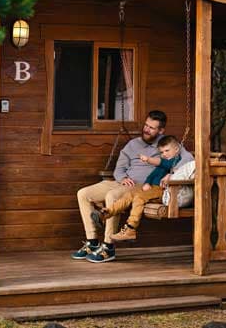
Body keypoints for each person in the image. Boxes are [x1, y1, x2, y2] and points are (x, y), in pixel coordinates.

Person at [71, 110, 167, 263]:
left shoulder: (166, 145)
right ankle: (92, 242)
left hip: (140, 186)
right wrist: (122, 177)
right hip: (121, 181)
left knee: (112, 196)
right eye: (146, 125)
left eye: (152, 128)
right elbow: (119, 168)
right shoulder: (133, 144)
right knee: (83, 193)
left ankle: (108, 246)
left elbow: (181, 162)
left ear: (161, 130)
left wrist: (169, 175)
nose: (146, 129)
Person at [91, 135, 181, 242]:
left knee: (139, 197)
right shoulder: (162, 162)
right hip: (151, 188)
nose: (164, 154)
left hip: (161, 190)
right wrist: (147, 182)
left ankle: (131, 228)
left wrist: (149, 160)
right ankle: (106, 213)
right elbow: (152, 175)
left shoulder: (176, 160)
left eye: (167, 151)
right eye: (161, 152)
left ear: (176, 149)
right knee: (129, 194)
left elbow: (167, 164)